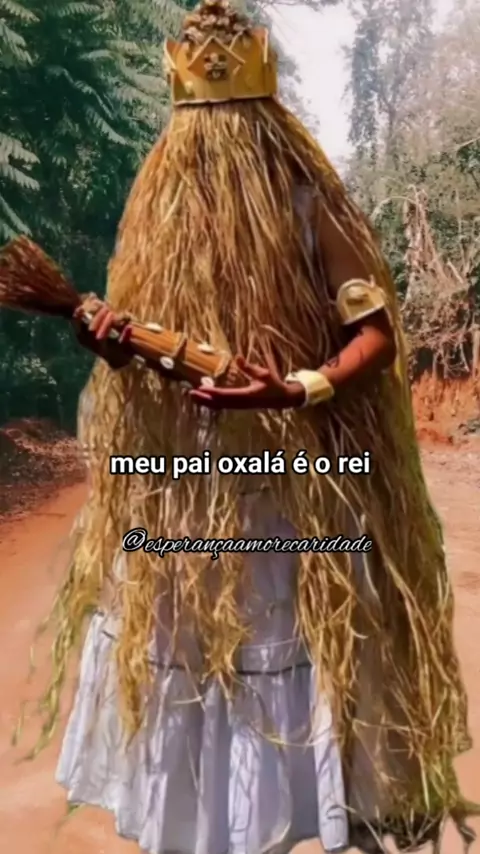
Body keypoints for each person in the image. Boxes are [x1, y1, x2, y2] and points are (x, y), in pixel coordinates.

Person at [37, 2, 476, 853]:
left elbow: (375, 337)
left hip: (285, 486)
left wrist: (298, 390)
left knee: (275, 637)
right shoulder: (158, 224)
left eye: (230, 126)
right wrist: (113, 344)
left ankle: (273, 825)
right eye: (199, 130)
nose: (213, 146)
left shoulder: (312, 207)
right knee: (183, 645)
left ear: (264, 122)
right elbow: (147, 352)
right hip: (181, 491)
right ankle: (205, 829)